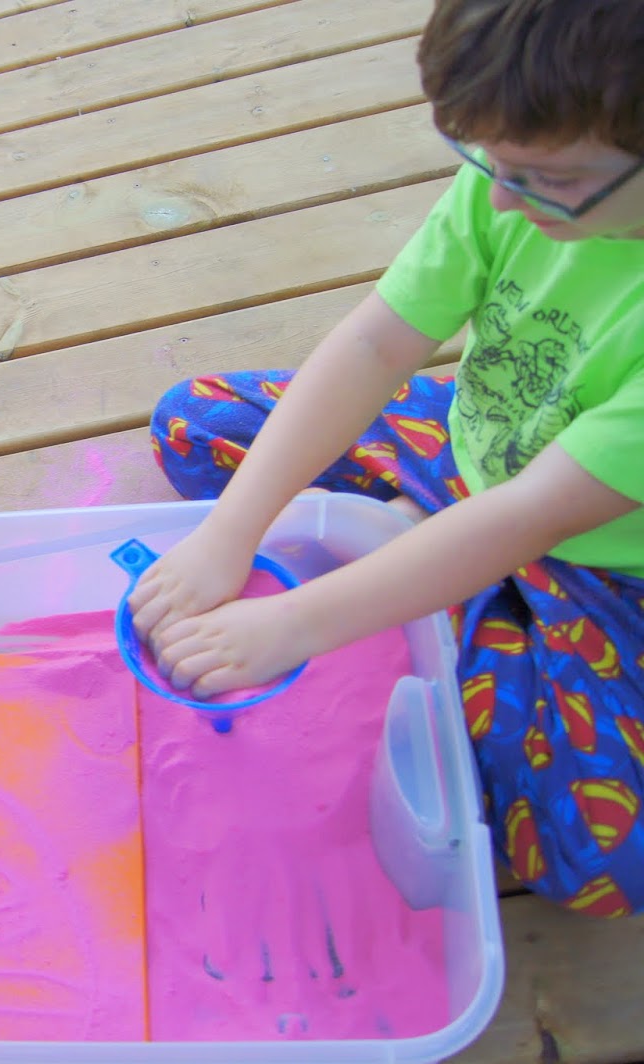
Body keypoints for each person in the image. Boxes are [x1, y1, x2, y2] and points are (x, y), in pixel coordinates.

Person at [130, 0, 644, 916]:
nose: (496, 197)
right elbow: (375, 345)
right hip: (470, 449)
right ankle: (420, 565)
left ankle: (442, 591)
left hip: (598, 562)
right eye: (487, 162)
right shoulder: (517, 176)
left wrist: (290, 626)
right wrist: (227, 535)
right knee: (195, 421)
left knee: (605, 857)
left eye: (541, 176)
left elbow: (531, 517)